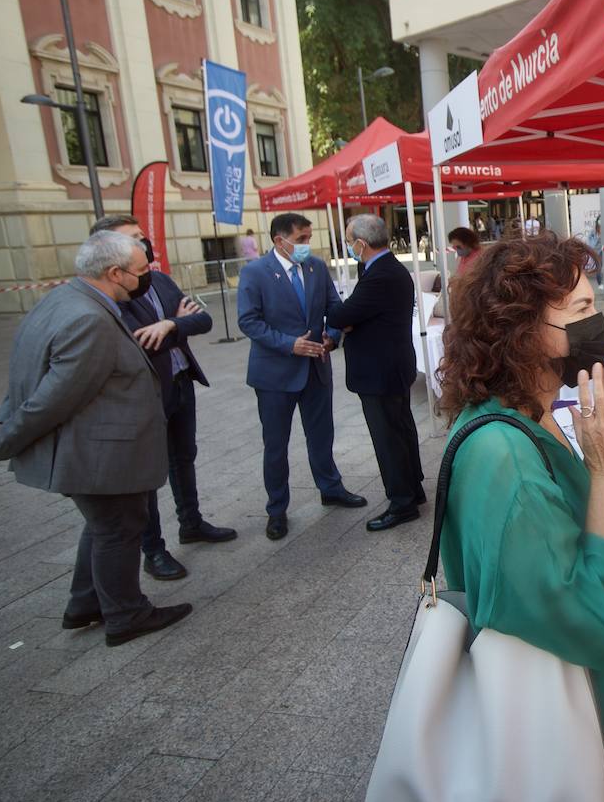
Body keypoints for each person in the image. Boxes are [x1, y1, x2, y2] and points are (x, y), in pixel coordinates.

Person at [436, 235, 604, 802]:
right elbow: (588, 619)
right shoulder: (506, 457)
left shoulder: (528, 412)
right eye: (580, 310)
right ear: (525, 331)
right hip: (558, 717)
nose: (597, 323)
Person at [0, 232, 192, 646]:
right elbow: (54, 396)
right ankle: (126, 615)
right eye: (141, 270)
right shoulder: (90, 319)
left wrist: (4, 418)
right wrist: (7, 434)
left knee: (101, 527)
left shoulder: (63, 300)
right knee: (118, 528)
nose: (148, 275)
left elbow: (29, 370)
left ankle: (85, 604)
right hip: (102, 455)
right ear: (115, 273)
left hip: (95, 451)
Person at [90, 216, 237, 582]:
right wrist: (173, 323)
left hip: (181, 380)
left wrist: (171, 324)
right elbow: (135, 338)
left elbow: (202, 320)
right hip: (147, 394)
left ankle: (191, 522)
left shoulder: (160, 280)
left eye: (142, 237)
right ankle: (153, 549)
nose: (144, 245)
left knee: (183, 458)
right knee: (149, 473)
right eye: (134, 240)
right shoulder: (111, 295)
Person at [237, 212, 367, 541]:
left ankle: (331, 488)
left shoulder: (316, 267)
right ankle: (277, 508)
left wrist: (331, 335)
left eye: (309, 237)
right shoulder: (255, 272)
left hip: (315, 368)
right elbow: (249, 321)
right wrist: (289, 345)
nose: (308, 244)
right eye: (302, 239)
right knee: (276, 445)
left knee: (321, 434)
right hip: (275, 374)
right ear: (280, 241)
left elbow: (334, 305)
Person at [329, 214, 425, 533]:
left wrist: (344, 317)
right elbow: (354, 314)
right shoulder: (383, 269)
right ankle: (413, 489)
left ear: (361, 243)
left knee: (388, 437)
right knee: (400, 430)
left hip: (380, 371)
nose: (348, 247)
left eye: (349, 241)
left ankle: (402, 502)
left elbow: (343, 313)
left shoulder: (381, 275)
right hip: (391, 365)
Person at [586, 219, 604, 286]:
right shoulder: (593, 232)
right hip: (596, 251)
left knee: (600, 266)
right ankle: (600, 283)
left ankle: (602, 282)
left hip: (603, 251)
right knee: (599, 267)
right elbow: (590, 241)